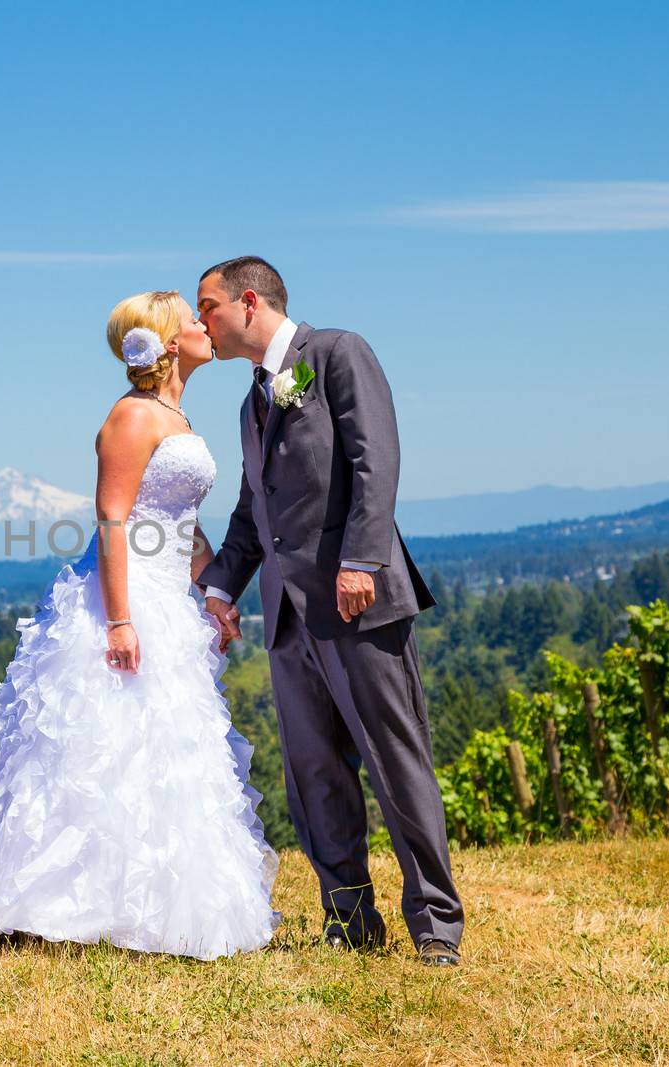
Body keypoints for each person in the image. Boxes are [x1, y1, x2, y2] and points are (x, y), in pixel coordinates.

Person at [0, 290, 279, 960]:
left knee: (165, 754)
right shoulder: (130, 415)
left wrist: (212, 596)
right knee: (99, 750)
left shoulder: (175, 414)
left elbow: (180, 527)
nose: (202, 323)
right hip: (121, 599)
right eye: (190, 315)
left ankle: (152, 908)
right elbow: (115, 520)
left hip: (170, 597)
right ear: (165, 339)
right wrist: (119, 620)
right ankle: (58, 904)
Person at [196, 256, 463, 966]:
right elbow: (254, 510)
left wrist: (361, 560)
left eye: (208, 309)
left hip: (359, 603)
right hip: (287, 618)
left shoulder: (339, 353)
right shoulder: (252, 400)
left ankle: (435, 925)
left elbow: (378, 461)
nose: (201, 326)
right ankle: (348, 919)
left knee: (396, 764)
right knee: (314, 774)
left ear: (248, 302)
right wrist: (221, 586)